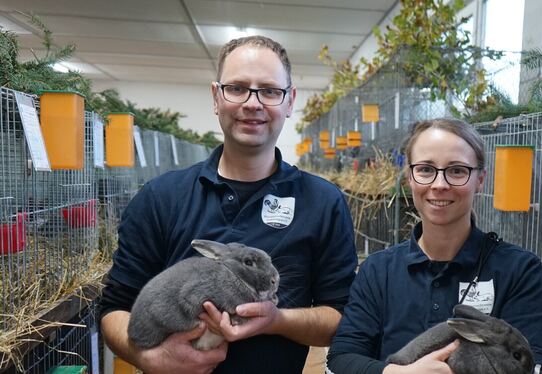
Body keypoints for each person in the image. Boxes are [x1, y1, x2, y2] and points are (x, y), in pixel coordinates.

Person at [99, 35, 358, 374]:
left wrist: (275, 320)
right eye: (237, 88)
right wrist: (149, 357)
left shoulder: (323, 202)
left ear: (290, 101)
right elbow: (114, 309)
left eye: (269, 90)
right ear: (216, 97)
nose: (252, 103)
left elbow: (340, 318)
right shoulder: (161, 198)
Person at [326, 118, 542, 373]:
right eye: (425, 169)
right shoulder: (378, 271)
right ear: (409, 177)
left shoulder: (519, 271)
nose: (439, 184)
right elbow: (342, 358)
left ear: (480, 179)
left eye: (457, 170)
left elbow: (535, 365)